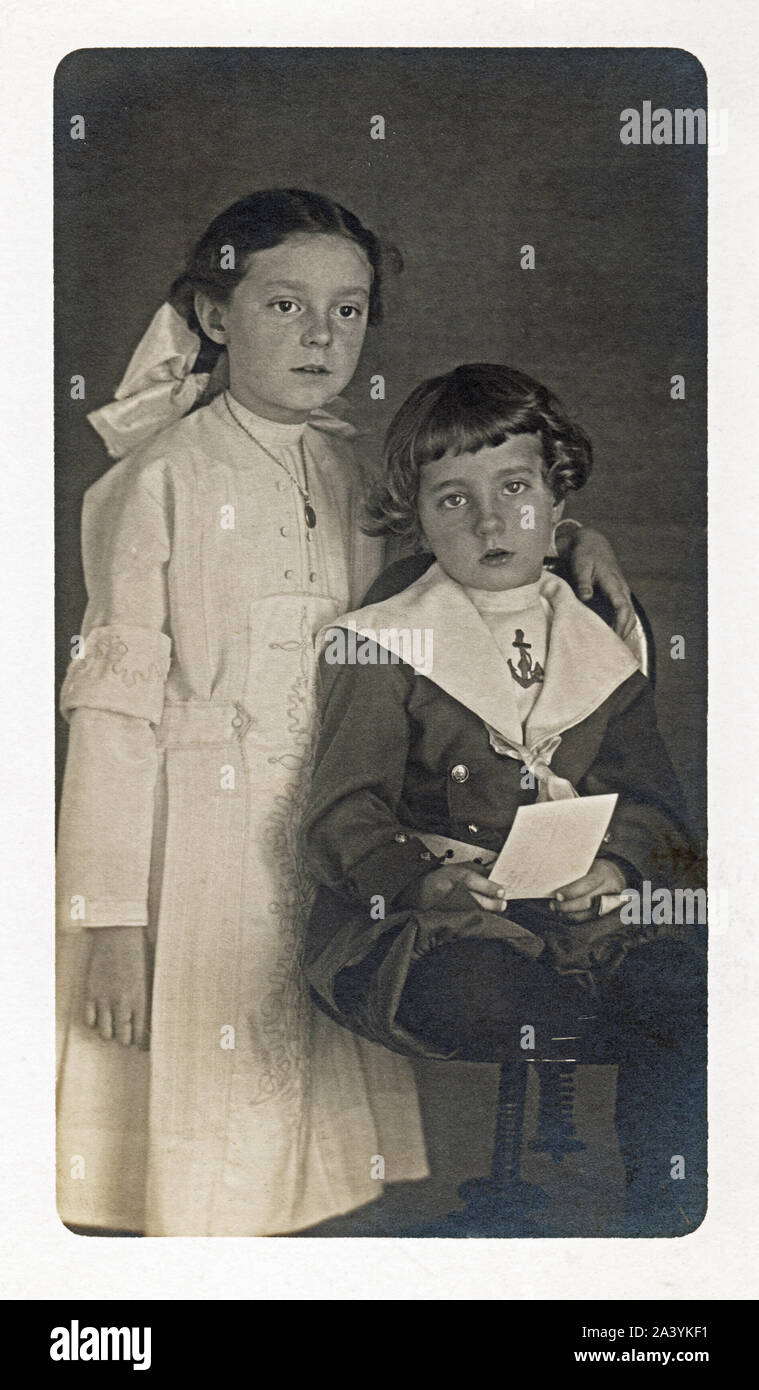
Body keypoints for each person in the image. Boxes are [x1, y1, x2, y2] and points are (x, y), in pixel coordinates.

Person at [56, 188, 636, 1237]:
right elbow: (112, 712)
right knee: (205, 1132)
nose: (322, 336)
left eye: (349, 309)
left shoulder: (356, 467)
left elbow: (468, 546)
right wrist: (107, 923)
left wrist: (574, 538)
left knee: (299, 1141)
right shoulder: (158, 482)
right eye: (285, 306)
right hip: (192, 855)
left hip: (333, 831)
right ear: (216, 314)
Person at [302, 363, 706, 1236]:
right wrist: (423, 882)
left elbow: (655, 806)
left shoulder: (599, 632)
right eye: (452, 499)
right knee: (507, 995)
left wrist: (614, 863)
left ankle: (667, 1225)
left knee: (691, 996)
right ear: (416, 517)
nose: (489, 520)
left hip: (582, 914)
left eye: (514, 488)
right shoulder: (388, 638)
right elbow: (344, 813)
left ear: (557, 501)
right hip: (431, 920)